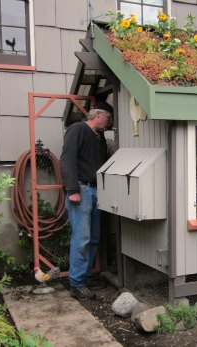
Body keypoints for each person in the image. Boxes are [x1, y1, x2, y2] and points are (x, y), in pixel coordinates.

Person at [60, 101, 112, 300]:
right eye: (107, 118)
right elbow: (68, 159)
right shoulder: (77, 130)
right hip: (81, 191)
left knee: (94, 239)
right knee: (81, 239)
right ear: (98, 115)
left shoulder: (99, 138)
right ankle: (76, 284)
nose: (108, 122)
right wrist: (72, 189)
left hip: (96, 192)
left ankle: (83, 277)